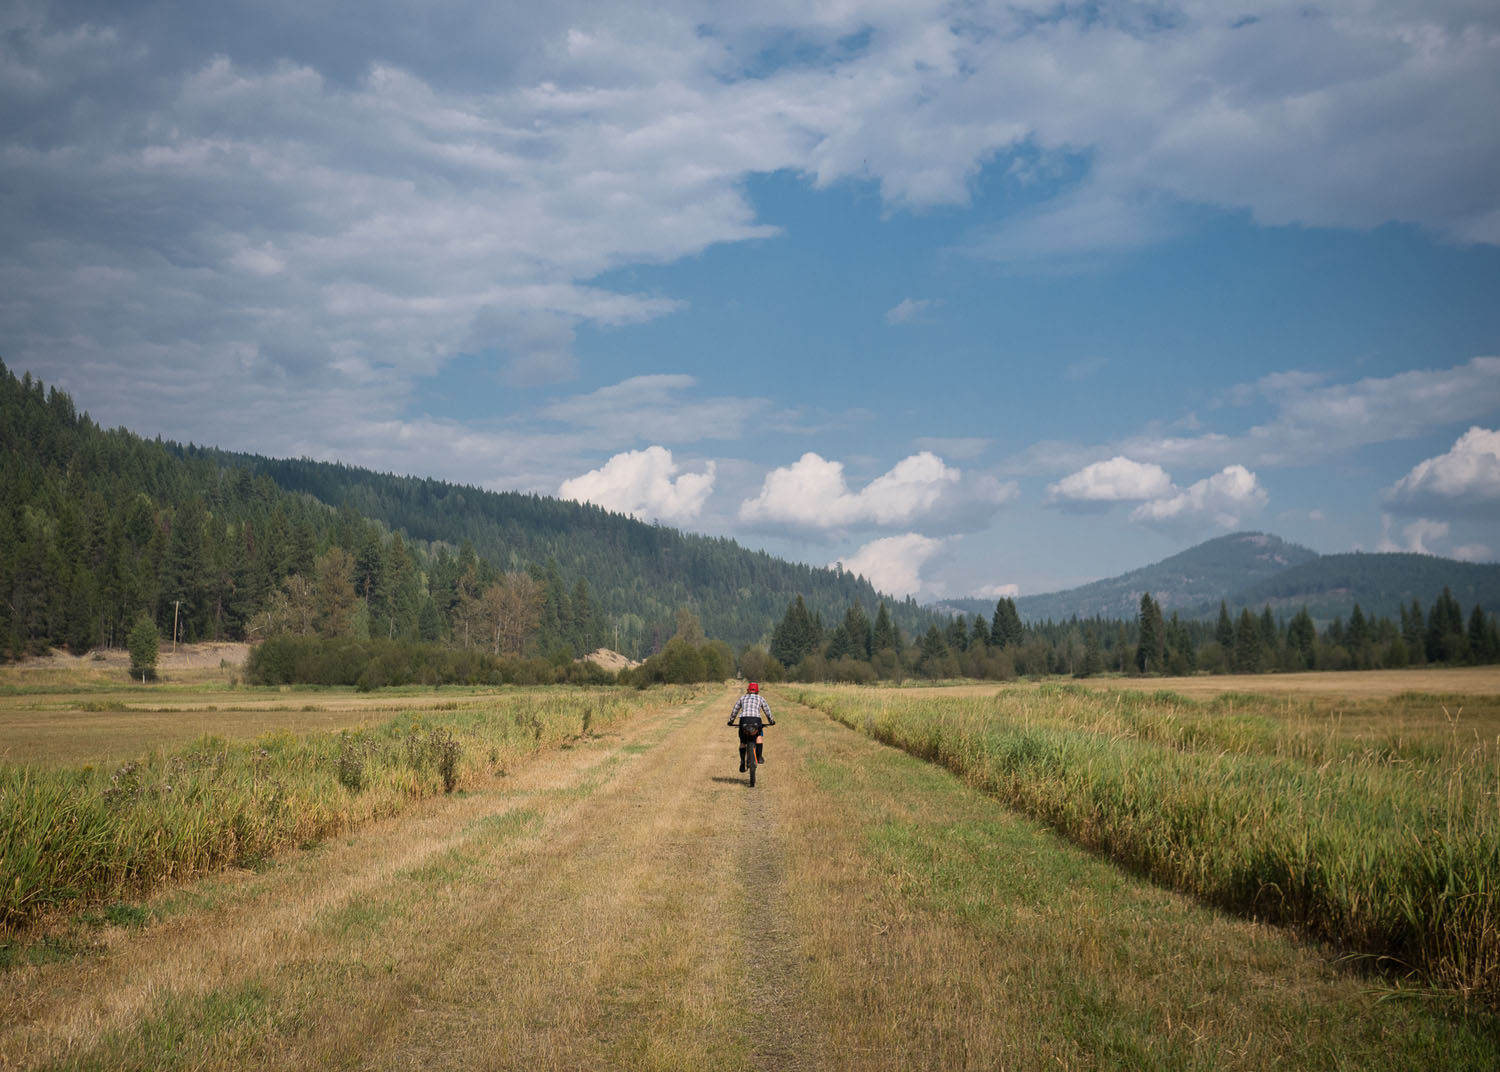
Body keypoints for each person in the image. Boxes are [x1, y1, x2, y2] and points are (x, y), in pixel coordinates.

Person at [727, 681, 774, 771]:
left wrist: (731, 721)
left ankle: (742, 762)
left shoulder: (742, 698)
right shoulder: (760, 698)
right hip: (756, 720)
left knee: (743, 741)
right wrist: (771, 721)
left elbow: (735, 710)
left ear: (748, 690)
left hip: (744, 720)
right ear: (757, 691)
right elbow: (767, 710)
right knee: (758, 736)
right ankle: (759, 757)